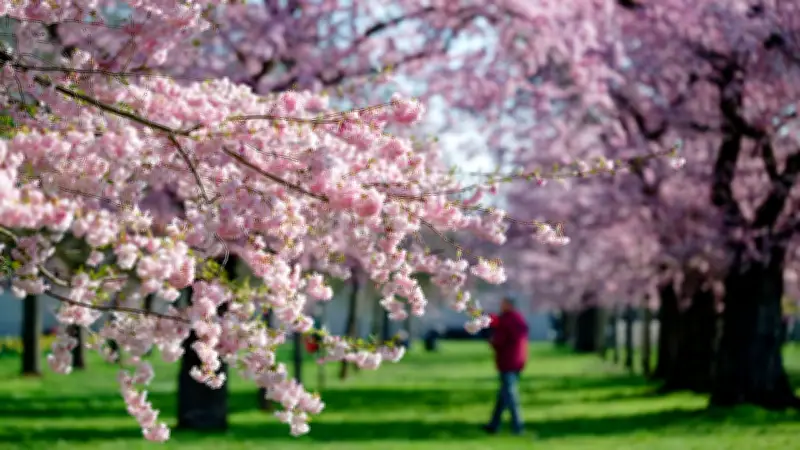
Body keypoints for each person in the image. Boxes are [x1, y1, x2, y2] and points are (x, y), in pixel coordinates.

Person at [482, 296, 529, 435]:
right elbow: (494, 320)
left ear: (509, 305)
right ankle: (493, 424)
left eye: (503, 304)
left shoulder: (508, 320)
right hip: (516, 361)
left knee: (511, 395)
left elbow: (499, 339)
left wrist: (491, 340)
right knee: (503, 396)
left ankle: (518, 426)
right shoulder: (516, 318)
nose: (500, 306)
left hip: (508, 362)